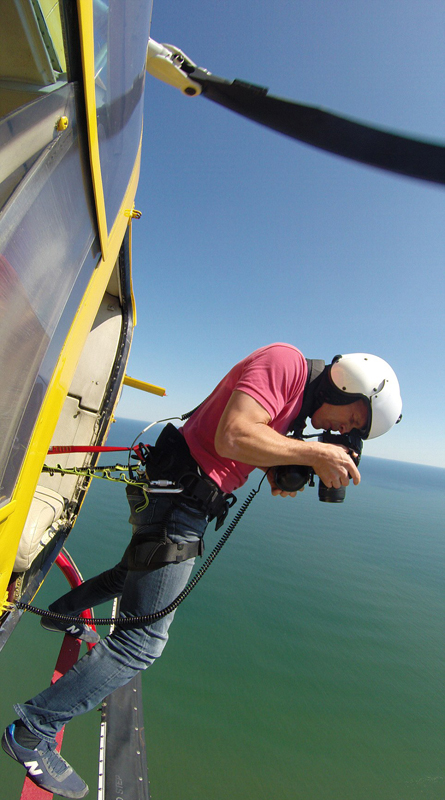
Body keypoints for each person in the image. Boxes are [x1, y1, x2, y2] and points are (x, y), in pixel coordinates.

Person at [2, 343, 402, 798]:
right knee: (142, 642)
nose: (340, 429)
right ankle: (33, 730)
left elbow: (252, 450)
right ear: (348, 384)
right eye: (351, 420)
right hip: (181, 499)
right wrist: (313, 456)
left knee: (128, 572)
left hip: (179, 494)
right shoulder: (286, 363)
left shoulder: (295, 407)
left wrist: (286, 470)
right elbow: (232, 435)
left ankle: (62, 613)